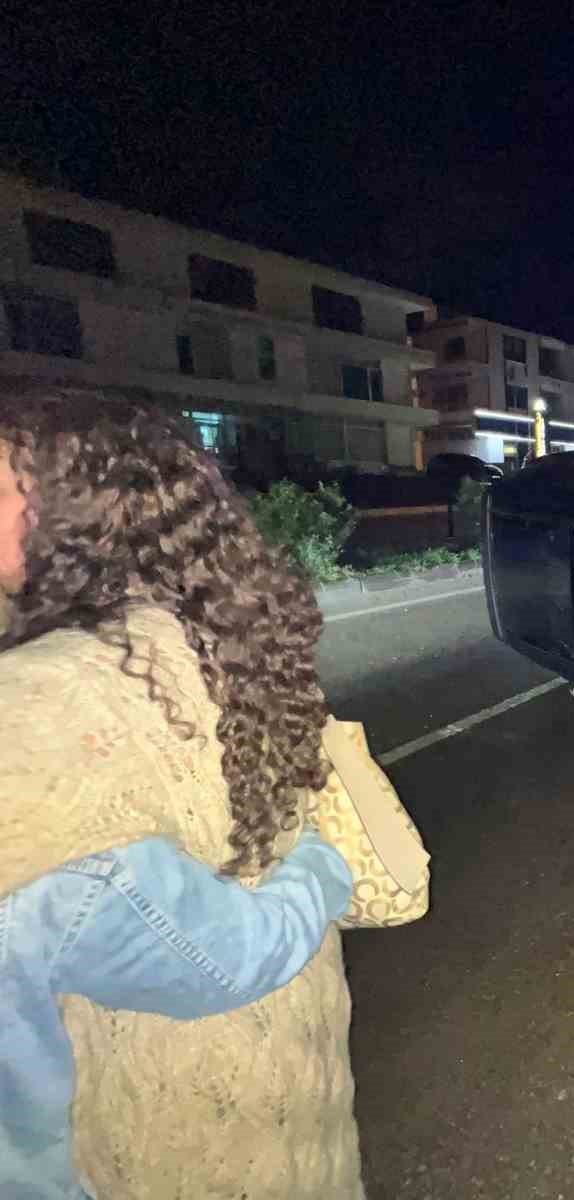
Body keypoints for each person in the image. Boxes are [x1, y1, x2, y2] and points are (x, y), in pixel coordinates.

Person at [0, 386, 369, 1198]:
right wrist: (324, 862)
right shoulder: (221, 636)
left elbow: (206, 945)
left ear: (73, 512)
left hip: (162, 1137)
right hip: (286, 1094)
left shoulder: (47, 700)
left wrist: (322, 865)